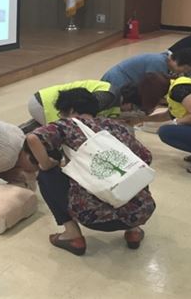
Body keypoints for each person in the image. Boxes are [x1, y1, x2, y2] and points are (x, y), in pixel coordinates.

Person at [28, 89, 155, 256]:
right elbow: (146, 157)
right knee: (128, 170)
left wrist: (46, 164)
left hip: (94, 216)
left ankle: (72, 236)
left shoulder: (67, 125)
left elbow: (33, 138)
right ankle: (134, 231)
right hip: (142, 211)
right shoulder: (116, 126)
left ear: (71, 110)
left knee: (46, 175)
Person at [28, 79, 141, 125]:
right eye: (132, 108)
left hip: (44, 101)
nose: (130, 111)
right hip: (45, 103)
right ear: (128, 103)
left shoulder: (113, 97)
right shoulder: (107, 96)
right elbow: (82, 112)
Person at [100, 48, 191, 90]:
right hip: (116, 82)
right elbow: (152, 87)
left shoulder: (163, 60)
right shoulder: (159, 62)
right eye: (185, 68)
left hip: (121, 80)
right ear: (177, 61)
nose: (183, 72)